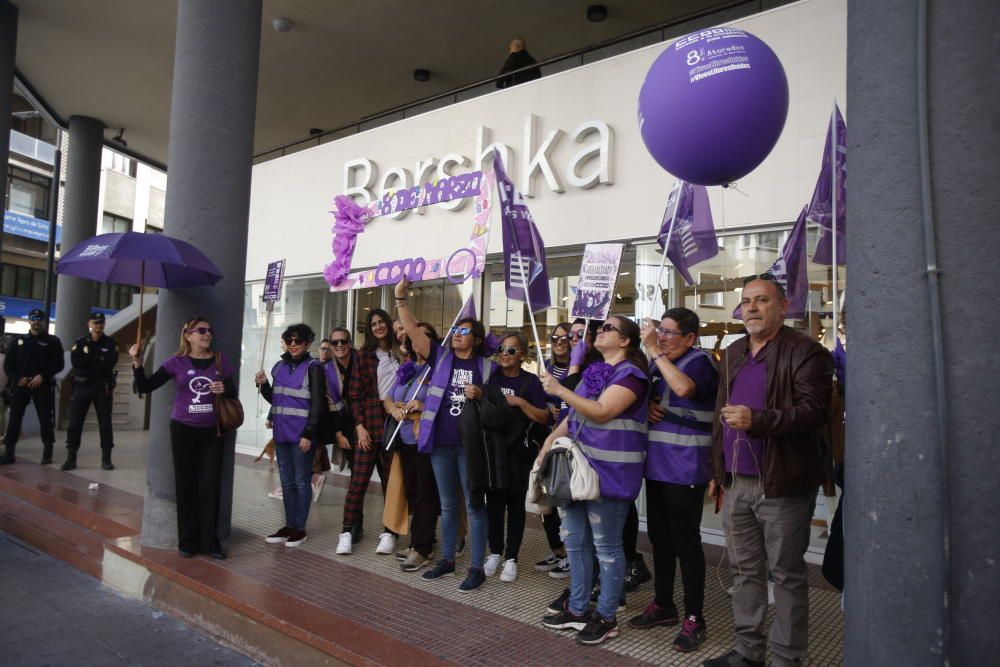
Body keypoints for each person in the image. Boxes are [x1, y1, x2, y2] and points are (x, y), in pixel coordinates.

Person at [702, 274, 833, 667]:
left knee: (788, 575)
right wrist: (718, 469)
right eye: (746, 301)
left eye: (761, 300)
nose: (752, 308)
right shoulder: (736, 349)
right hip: (737, 482)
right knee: (744, 572)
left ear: (783, 306)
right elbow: (718, 418)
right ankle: (747, 653)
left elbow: (814, 413)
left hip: (784, 483)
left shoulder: (807, 352)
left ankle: (788, 660)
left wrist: (757, 421)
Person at [539, 316, 649, 646]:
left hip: (611, 475)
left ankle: (606, 616)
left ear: (626, 341)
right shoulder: (592, 372)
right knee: (574, 540)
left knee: (607, 547)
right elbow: (573, 419)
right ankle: (576, 609)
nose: (599, 332)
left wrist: (559, 390)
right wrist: (547, 445)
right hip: (578, 471)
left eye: (608, 329)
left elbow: (601, 411)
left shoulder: (632, 375)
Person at [395, 277, 497, 593]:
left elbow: (497, 408)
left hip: (471, 448)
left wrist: (481, 394)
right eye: (455, 330)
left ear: (477, 339)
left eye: (464, 331)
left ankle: (477, 566)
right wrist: (401, 299)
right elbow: (412, 331)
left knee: (474, 506)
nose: (456, 334)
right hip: (440, 444)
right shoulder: (441, 357)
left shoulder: (487, 367)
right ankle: (449, 560)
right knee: (449, 505)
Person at [630, 308, 718, 654]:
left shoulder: (700, 361)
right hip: (656, 466)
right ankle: (664, 604)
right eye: (659, 331)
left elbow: (683, 388)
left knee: (687, 542)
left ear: (691, 338)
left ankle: (695, 616)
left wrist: (653, 349)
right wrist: (647, 406)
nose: (662, 337)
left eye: (669, 332)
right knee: (659, 538)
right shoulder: (656, 363)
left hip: (686, 467)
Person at [130, 316, 236, 558]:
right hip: (183, 429)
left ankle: (210, 542)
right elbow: (145, 386)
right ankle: (187, 540)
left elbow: (233, 391)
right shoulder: (176, 362)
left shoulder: (220, 361)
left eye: (210, 330)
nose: (207, 334)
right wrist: (137, 363)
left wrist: (224, 389)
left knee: (210, 485)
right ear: (188, 335)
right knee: (185, 484)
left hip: (213, 431)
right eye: (201, 330)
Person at [483, 332, 549, 583]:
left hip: (520, 453)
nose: (504, 354)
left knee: (515, 507)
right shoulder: (491, 378)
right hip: (495, 452)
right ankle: (495, 552)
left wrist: (521, 402)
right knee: (495, 506)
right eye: (501, 349)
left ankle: (512, 557)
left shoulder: (531, 382)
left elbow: (544, 417)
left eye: (511, 350)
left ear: (522, 354)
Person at [256, 323, 327, 549]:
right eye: (290, 341)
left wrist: (309, 433)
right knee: (286, 482)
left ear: (307, 343)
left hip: (302, 436)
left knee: (300, 481)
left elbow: (318, 405)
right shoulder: (279, 367)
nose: (293, 344)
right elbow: (275, 398)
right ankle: (289, 525)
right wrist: (264, 384)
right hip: (282, 434)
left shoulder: (314, 368)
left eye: (298, 341)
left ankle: (299, 528)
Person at [337, 309, 399, 556]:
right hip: (369, 423)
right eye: (373, 324)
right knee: (358, 482)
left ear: (388, 324)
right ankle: (347, 531)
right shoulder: (363, 356)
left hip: (394, 423)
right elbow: (354, 395)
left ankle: (389, 532)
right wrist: (359, 426)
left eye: (381, 322)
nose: (377, 326)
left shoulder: (401, 353)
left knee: (390, 483)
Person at [385, 322, 439, 572]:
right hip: (404, 438)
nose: (418, 341)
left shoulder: (438, 369)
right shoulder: (407, 368)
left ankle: (423, 548)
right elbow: (387, 397)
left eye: (425, 337)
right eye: (415, 336)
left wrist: (424, 405)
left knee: (425, 493)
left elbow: (446, 402)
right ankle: (418, 541)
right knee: (414, 492)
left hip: (425, 438)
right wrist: (394, 408)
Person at [0, 308, 64, 465]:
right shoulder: (18, 342)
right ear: (29, 321)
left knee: (45, 419)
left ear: (43, 321)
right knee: (15, 418)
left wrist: (43, 376)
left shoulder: (52, 341)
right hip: (21, 385)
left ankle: (47, 452)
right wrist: (18, 378)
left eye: (39, 319)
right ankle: (9, 452)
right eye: (33, 319)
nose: (36, 322)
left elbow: (59, 364)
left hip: (42, 385)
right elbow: (9, 365)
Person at [62, 312, 119, 471]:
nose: (98, 325)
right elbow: (76, 362)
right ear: (89, 324)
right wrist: (98, 360)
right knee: (75, 422)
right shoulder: (80, 342)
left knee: (105, 423)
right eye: (95, 323)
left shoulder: (110, 343)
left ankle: (106, 459)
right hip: (82, 387)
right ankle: (71, 458)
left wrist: (91, 362)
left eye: (101, 323)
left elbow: (109, 364)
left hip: (102, 388)